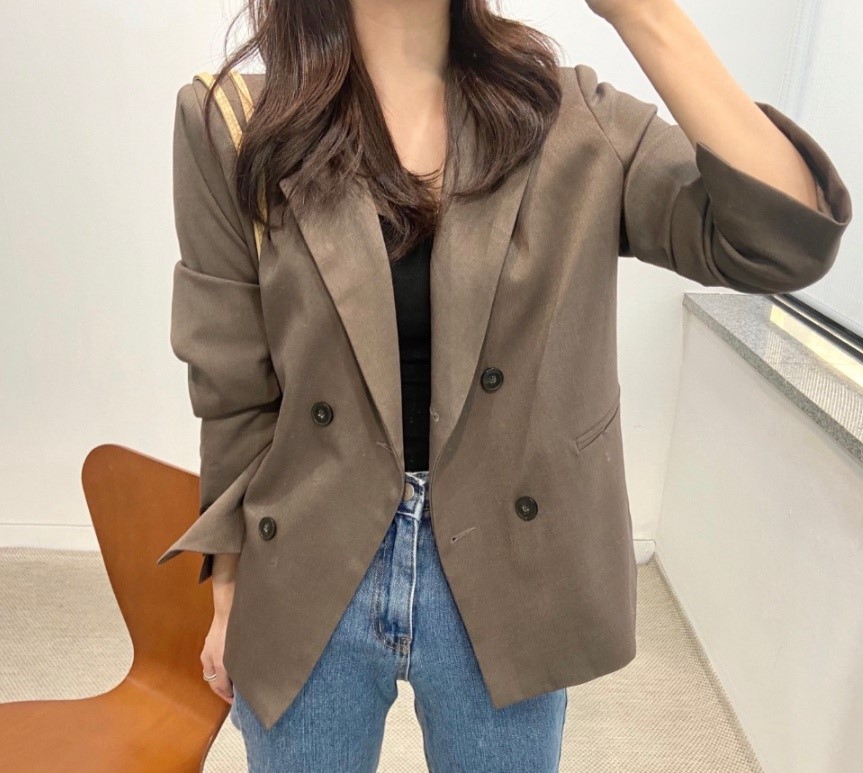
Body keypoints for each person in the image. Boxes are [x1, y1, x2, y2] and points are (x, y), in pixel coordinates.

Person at [157, 0, 852, 770]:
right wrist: (227, 588)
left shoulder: (564, 118)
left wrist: (641, 12)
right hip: (309, 553)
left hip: (511, 561)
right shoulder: (237, 122)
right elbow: (232, 381)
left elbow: (781, 241)